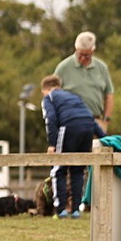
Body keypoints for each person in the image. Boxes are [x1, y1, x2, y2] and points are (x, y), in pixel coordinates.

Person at [41, 75, 98, 218]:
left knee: (58, 169)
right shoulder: (73, 96)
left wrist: (52, 144)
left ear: (46, 89)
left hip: (68, 128)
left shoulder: (49, 98)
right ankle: (76, 210)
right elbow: (88, 118)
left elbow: (51, 119)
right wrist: (104, 136)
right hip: (87, 128)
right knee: (78, 170)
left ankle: (60, 210)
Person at [53, 32, 114, 134]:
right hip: (71, 121)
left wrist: (106, 120)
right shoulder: (63, 67)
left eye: (86, 55)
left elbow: (109, 95)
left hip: (95, 121)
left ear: (92, 50)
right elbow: (52, 95)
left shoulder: (101, 67)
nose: (82, 58)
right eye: (79, 54)